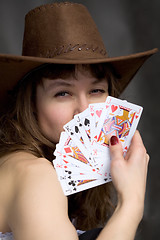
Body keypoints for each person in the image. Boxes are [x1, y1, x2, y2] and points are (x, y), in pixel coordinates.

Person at [0, 2, 157, 240]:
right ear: (31, 104)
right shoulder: (35, 176)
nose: (84, 111)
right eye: (63, 93)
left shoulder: (29, 168)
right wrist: (132, 203)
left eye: (96, 91)